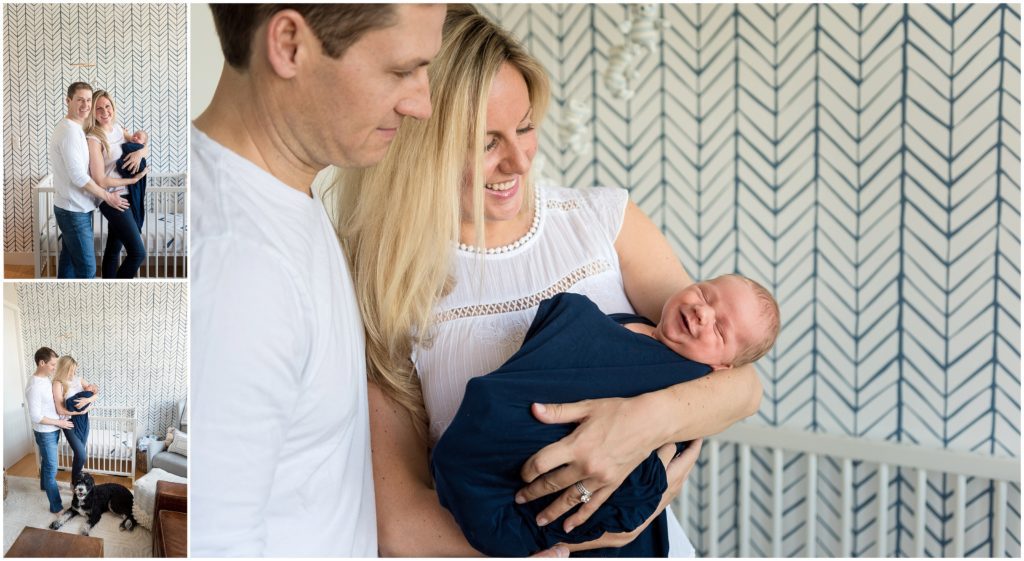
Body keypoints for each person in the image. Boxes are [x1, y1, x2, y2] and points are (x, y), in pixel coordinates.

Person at [336, 6, 764, 556]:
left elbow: (740, 382)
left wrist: (638, 425)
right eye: (486, 142)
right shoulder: (383, 283)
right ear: (421, 144)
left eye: (525, 127)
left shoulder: (603, 222)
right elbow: (398, 523)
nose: (518, 160)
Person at [189, 4, 446, 556]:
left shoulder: (284, 195)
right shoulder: (239, 268)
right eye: (401, 71)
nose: (422, 104)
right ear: (288, 45)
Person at [432, 275, 780, 556]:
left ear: (722, 368)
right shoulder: (630, 323)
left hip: (546, 487)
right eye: (705, 294)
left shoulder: (688, 382)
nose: (704, 313)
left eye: (720, 329)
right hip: (501, 417)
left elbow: (645, 477)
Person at [49, 82, 130, 278]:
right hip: (73, 210)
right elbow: (78, 176)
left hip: (78, 207)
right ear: (68, 101)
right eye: (80, 100)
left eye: (88, 100)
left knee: (68, 265)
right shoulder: (69, 132)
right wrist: (107, 197)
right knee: (88, 269)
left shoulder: (77, 127)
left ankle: (64, 303)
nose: (85, 105)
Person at [85, 90, 149, 278]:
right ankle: (117, 290)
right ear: (92, 113)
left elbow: (143, 145)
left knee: (113, 249)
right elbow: (100, 180)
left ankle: (107, 289)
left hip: (128, 195)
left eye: (107, 106)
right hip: (111, 197)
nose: (104, 112)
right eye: (98, 109)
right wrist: (133, 179)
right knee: (138, 253)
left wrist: (139, 154)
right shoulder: (94, 139)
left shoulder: (119, 129)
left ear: (113, 107)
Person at [25, 347, 73, 514]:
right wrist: (60, 423)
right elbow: (36, 416)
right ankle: (56, 506)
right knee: (52, 468)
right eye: (52, 364)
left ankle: (44, 486)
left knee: (46, 462)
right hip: (45, 432)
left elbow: (50, 405)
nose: (55, 368)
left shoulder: (46, 379)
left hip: (52, 429)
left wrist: (60, 418)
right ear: (42, 363)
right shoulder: (34, 386)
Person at [50, 355, 98, 485]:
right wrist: (79, 411)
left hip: (83, 421)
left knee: (80, 453)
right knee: (81, 454)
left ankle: (76, 483)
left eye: (74, 370)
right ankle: (75, 482)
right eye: (71, 370)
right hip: (69, 422)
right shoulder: (58, 384)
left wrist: (88, 400)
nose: (73, 373)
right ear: (63, 369)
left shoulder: (79, 380)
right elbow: (60, 410)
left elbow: (95, 393)